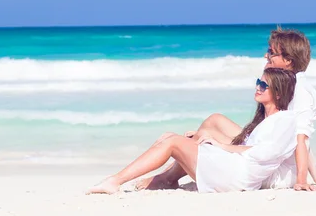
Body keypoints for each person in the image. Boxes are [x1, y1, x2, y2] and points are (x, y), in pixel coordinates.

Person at [134, 28, 316, 192]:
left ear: (288, 61)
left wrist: (304, 180)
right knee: (214, 121)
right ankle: (173, 172)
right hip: (268, 150)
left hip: (274, 166)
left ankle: (168, 178)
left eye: (272, 53)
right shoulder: (288, 82)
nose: (266, 56)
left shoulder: (299, 91)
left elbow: (301, 138)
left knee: (205, 135)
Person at [87, 68, 298, 194]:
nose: (258, 87)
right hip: (234, 169)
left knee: (173, 143)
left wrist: (221, 146)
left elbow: (263, 153)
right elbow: (252, 147)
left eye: (264, 85)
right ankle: (162, 179)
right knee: (169, 137)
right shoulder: (267, 119)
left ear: (279, 94)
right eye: (258, 82)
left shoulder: (285, 121)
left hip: (235, 176)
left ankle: (115, 181)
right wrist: (213, 143)